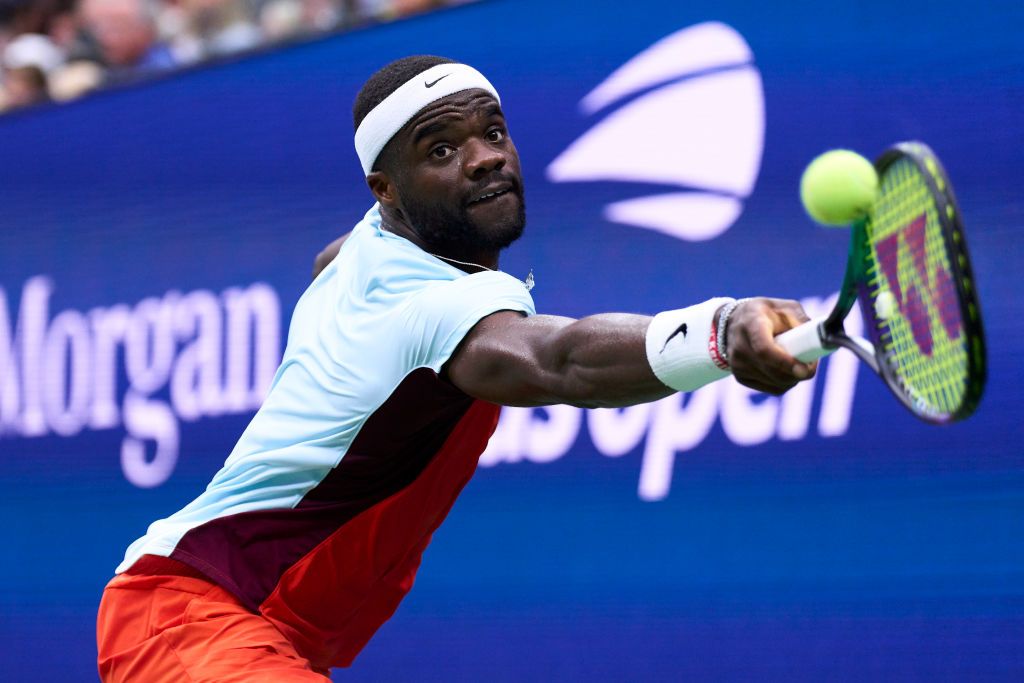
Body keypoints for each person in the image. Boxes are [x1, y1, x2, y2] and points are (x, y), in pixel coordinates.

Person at [96, 54, 817, 682]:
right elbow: (561, 360)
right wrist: (719, 331)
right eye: (441, 151)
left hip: (246, 623)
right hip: (191, 611)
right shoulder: (436, 307)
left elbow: (339, 252)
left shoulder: (363, 248)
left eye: (493, 134)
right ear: (385, 187)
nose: (484, 159)